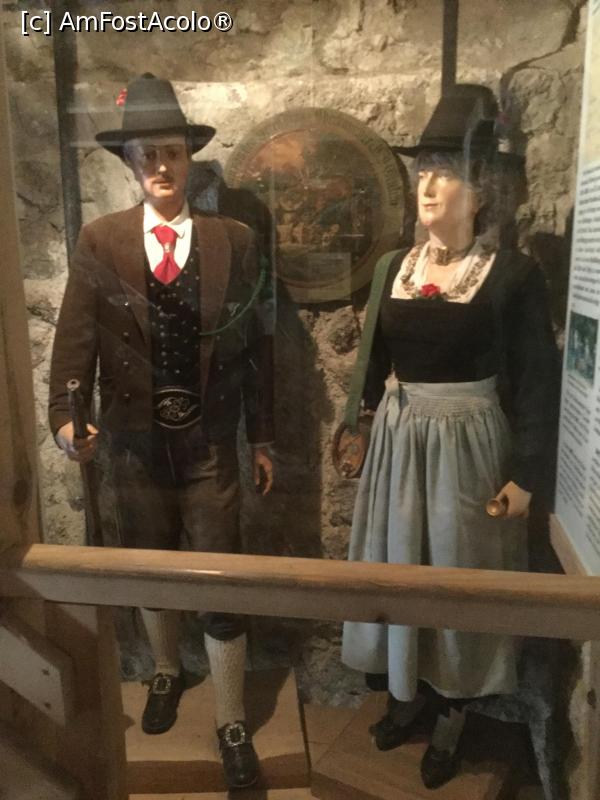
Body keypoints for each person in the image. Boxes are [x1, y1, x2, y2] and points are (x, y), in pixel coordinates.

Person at [48, 73, 274, 790]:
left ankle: (231, 717)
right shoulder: (101, 240)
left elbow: (259, 349)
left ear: (189, 157)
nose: (161, 167)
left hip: (211, 445)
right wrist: (64, 419)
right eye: (147, 154)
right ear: (130, 162)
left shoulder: (234, 240)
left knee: (223, 575)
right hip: (134, 445)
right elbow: (74, 339)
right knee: (147, 565)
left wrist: (262, 438)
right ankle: (168, 671)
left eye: (172, 152)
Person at [341, 85, 560, 789]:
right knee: (399, 569)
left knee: (459, 576)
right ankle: (407, 695)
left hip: (468, 450)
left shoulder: (511, 277)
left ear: (482, 190)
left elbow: (536, 381)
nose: (429, 186)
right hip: (400, 446)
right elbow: (374, 362)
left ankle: (455, 714)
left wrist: (525, 474)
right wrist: (359, 424)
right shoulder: (392, 269)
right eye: (423, 172)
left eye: (447, 173)